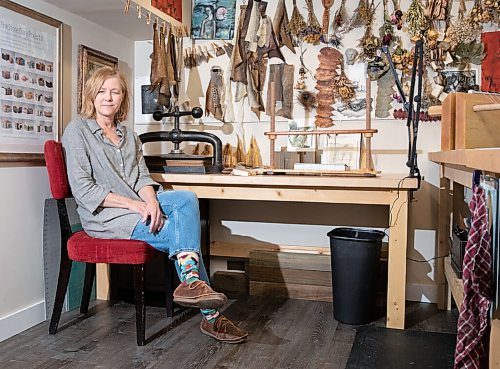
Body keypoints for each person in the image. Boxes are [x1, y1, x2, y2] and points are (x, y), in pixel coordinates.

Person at [62, 66, 248, 343]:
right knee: (179, 231)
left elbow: (141, 177)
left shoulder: (129, 135)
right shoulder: (77, 130)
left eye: (115, 91)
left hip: (135, 204)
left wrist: (150, 202)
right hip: (106, 216)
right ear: (91, 95)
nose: (108, 98)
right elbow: (84, 189)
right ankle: (212, 317)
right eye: (102, 91)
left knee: (186, 198)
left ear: (123, 97)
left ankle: (190, 282)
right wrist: (135, 207)